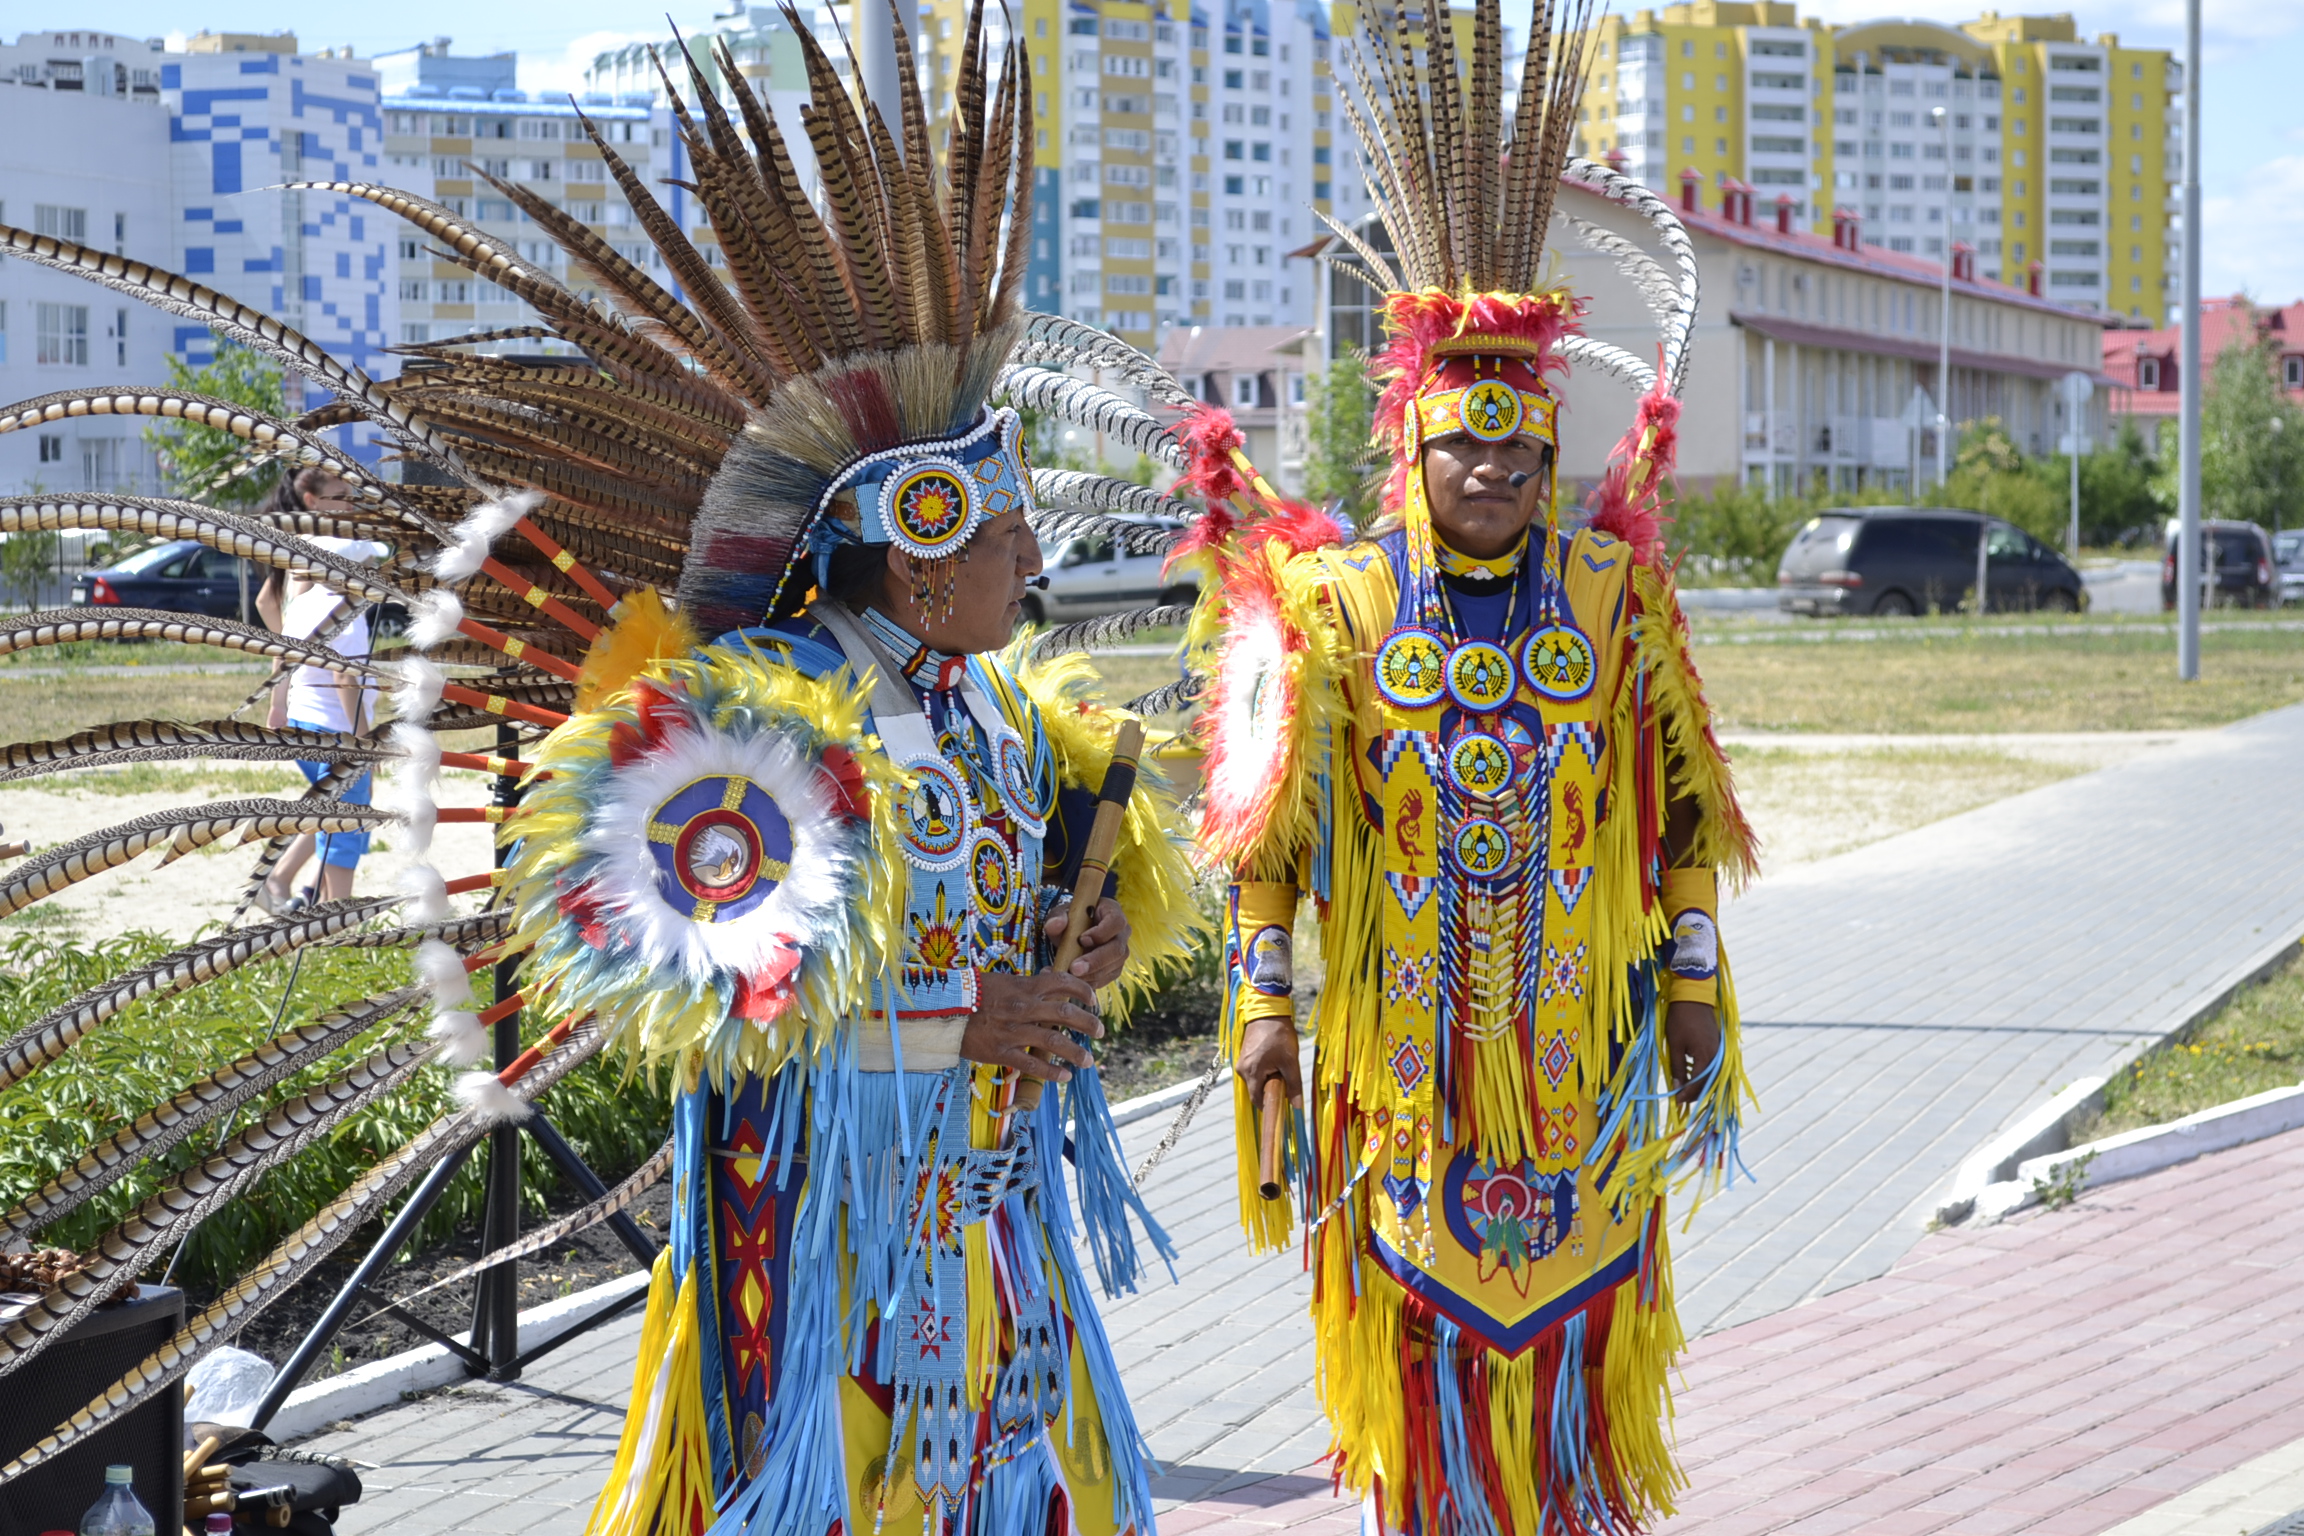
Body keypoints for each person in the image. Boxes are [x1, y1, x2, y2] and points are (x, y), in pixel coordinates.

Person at [1191, 7, 1758, 1531]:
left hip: (1581, 1059)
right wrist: (1262, 1008)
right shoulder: (1338, 607)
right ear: (1415, 450)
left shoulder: (1615, 598)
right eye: (1465, 450)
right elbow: (1270, 842)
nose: (1497, 472)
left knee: (1574, 1370)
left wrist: (1695, 988)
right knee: (1422, 1393)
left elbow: (1681, 810)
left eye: (1520, 449)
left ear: (1549, 448)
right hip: (1400, 1081)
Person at [254, 468, 386, 912]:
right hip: (334, 725)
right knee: (347, 822)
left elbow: (280, 641)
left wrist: (278, 705)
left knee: (331, 811)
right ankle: (336, 917)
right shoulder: (338, 608)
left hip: (304, 721)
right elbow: (346, 679)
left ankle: (291, 883)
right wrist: (367, 743)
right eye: (339, 497)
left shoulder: (305, 594)